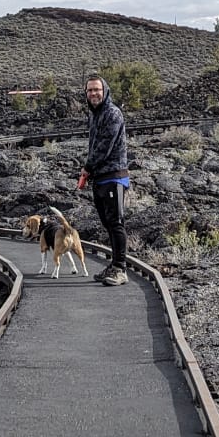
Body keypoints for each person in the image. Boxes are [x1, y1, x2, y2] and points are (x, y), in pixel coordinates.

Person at [78, 73, 131, 285]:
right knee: (108, 223)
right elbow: (94, 145)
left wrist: (87, 168)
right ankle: (114, 265)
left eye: (97, 89)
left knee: (116, 222)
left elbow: (105, 147)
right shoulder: (95, 114)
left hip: (114, 175)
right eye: (90, 90)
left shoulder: (112, 113)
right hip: (100, 176)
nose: (93, 93)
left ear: (105, 90)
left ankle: (120, 268)